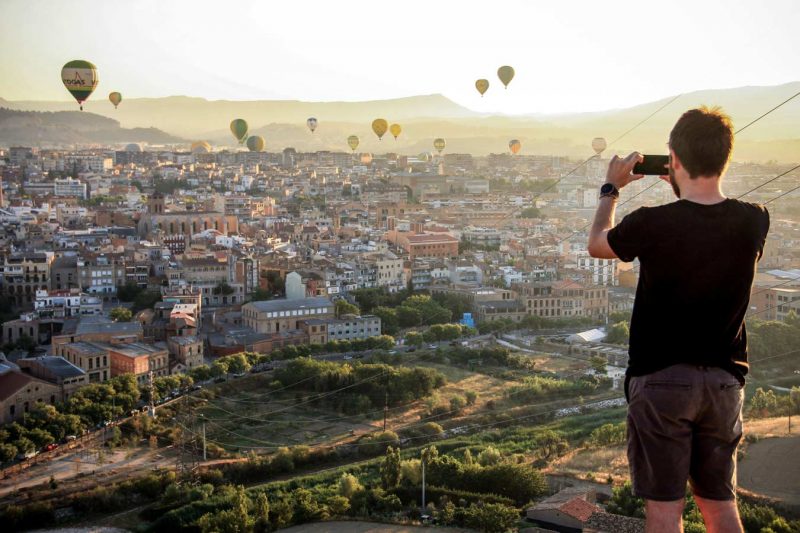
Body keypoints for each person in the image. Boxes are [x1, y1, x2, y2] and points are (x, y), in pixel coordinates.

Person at [587, 107, 770, 533]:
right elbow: (703, 222)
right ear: (726, 157)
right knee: (720, 505)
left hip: (662, 379)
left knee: (666, 511)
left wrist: (610, 190)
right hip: (724, 382)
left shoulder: (652, 223)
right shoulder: (754, 219)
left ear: (672, 160)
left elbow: (598, 245)